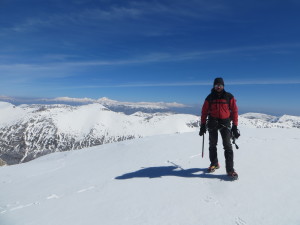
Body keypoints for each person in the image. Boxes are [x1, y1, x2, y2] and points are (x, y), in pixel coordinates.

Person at [199, 77, 240, 179]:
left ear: (223, 86)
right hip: (212, 123)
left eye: (220, 85)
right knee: (212, 145)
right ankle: (214, 163)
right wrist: (203, 125)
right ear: (214, 86)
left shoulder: (229, 97)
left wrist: (235, 126)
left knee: (227, 146)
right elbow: (204, 112)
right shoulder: (209, 98)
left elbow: (234, 111)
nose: (218, 87)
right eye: (216, 85)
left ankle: (230, 170)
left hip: (225, 123)